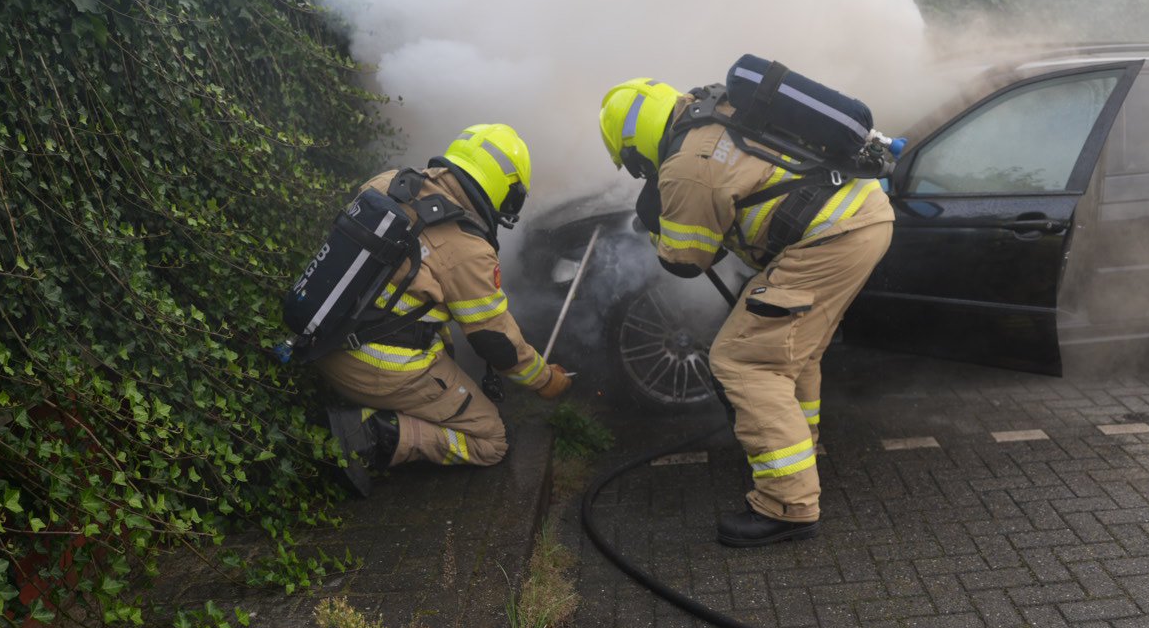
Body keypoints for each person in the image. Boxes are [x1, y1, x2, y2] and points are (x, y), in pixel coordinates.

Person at [599, 77, 893, 547]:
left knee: (744, 360)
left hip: (831, 239)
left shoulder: (687, 165)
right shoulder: (721, 111)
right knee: (794, 350)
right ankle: (797, 445)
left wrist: (658, 221)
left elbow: (686, 261)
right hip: (865, 216)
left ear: (635, 148)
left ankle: (788, 505)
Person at [318, 124, 571, 495]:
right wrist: (544, 380)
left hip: (326, 339)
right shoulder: (465, 249)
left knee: (434, 324)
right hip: (378, 365)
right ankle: (365, 432)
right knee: (491, 441)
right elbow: (495, 341)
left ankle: (376, 405)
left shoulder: (386, 183)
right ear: (504, 188)